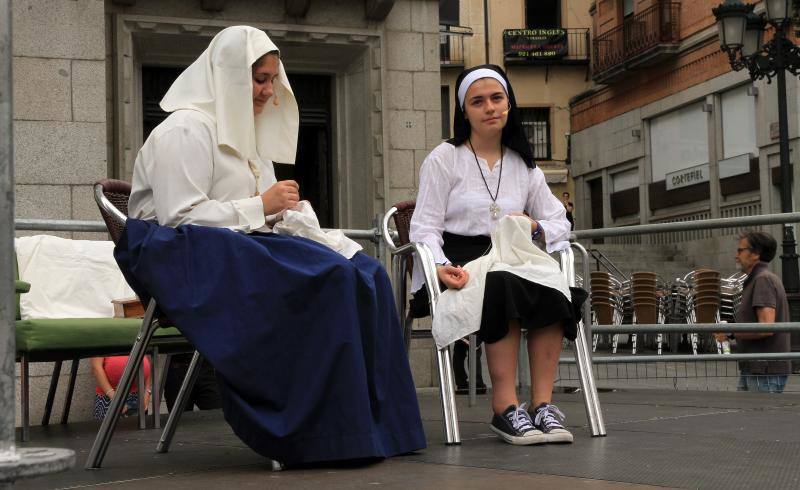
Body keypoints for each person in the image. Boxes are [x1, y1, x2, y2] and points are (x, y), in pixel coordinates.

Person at [120, 26, 425, 466]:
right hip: (183, 257)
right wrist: (260, 204)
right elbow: (177, 217)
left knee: (368, 273)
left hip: (234, 246)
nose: (268, 91)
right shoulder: (184, 128)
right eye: (259, 79)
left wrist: (286, 211)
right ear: (227, 75)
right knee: (331, 279)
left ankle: (382, 428)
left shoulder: (248, 136)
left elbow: (257, 213)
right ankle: (327, 433)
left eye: (272, 80)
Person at [409, 64, 586, 446]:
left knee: (549, 282)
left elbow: (560, 222)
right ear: (464, 111)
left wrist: (535, 227)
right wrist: (439, 268)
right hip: (459, 262)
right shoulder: (445, 158)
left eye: (497, 98)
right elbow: (423, 227)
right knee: (505, 282)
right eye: (478, 101)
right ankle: (505, 407)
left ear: (509, 104)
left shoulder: (524, 164)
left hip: (511, 253)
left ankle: (542, 405)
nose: (489, 108)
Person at [716, 231, 790, 393]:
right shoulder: (761, 279)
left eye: (740, 250)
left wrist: (731, 333)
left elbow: (766, 327)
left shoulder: (762, 280)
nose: (736, 256)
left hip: (764, 370)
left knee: (759, 417)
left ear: (756, 254)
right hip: (757, 368)